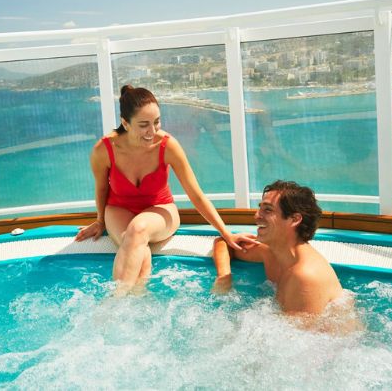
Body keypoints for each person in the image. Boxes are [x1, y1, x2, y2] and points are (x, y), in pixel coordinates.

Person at [75, 85, 253, 293]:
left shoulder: (168, 146)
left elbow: (195, 194)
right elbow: (102, 189)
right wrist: (99, 221)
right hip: (118, 209)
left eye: (157, 122)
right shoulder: (103, 150)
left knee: (137, 230)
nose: (153, 131)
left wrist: (226, 233)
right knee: (135, 246)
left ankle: (115, 300)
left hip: (160, 209)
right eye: (144, 125)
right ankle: (138, 296)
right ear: (125, 123)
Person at [212, 180, 352, 328]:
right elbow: (224, 243)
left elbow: (299, 342)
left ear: (294, 219)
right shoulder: (270, 250)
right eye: (260, 208)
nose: (256, 216)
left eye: (267, 210)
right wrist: (224, 277)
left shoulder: (305, 276)